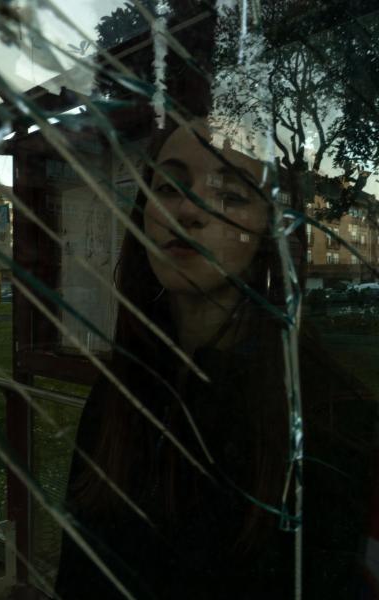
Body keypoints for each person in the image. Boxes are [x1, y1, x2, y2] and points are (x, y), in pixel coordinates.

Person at [54, 116, 376, 600]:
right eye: (169, 188)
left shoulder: (325, 415)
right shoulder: (121, 393)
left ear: (268, 231)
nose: (189, 210)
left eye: (230, 195)